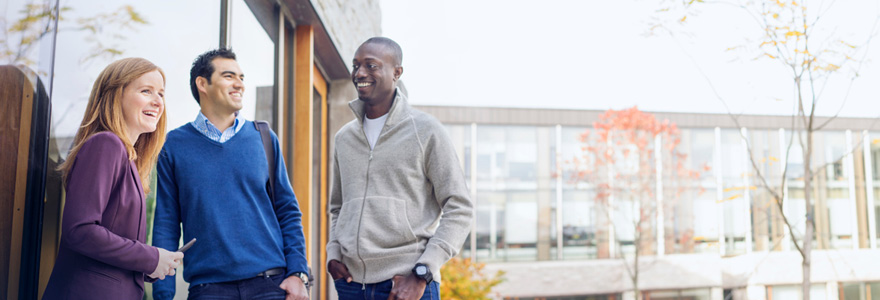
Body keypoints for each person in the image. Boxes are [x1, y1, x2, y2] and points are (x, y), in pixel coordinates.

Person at [151, 48, 309, 300]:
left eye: (241, 78)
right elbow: (166, 224)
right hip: (208, 289)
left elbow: (288, 211)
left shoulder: (263, 137)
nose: (239, 85)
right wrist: (163, 294)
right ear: (202, 83)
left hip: (270, 285)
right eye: (229, 76)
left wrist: (298, 273)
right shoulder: (174, 145)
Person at [326, 37, 473, 300]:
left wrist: (423, 272)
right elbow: (338, 206)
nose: (360, 73)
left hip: (406, 284)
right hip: (351, 285)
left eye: (371, 66)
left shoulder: (425, 130)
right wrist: (334, 254)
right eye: (356, 65)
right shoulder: (344, 138)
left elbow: (459, 207)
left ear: (396, 72)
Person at [43, 57, 182, 300]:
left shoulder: (128, 160)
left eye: (161, 93)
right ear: (115, 95)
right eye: (146, 91)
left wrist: (154, 263)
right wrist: (150, 257)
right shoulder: (106, 144)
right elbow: (81, 230)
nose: (158, 101)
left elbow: (115, 243)